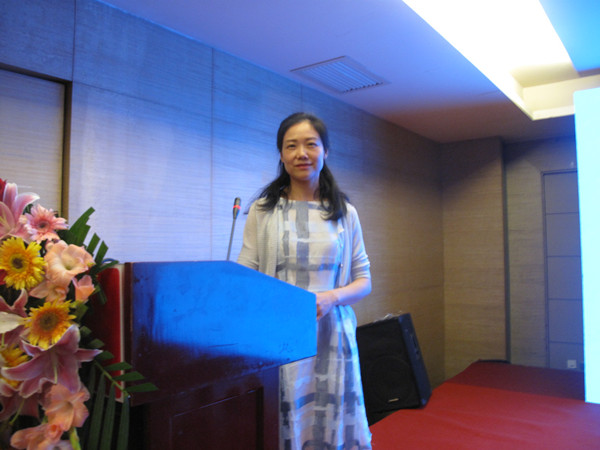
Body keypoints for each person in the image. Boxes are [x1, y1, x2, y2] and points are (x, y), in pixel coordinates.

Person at [237, 112, 372, 449]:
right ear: (281, 155)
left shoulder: (345, 213)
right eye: (291, 146)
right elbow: (246, 273)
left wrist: (331, 297)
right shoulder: (263, 210)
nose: (301, 154)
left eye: (311, 144)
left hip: (332, 335)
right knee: (288, 420)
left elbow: (364, 280)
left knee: (329, 422)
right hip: (281, 335)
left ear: (326, 151)